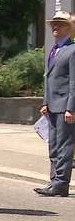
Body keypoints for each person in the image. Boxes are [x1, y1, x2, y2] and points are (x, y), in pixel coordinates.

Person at [36, 11, 74, 197]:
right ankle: (54, 181)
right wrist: (45, 101)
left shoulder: (72, 50)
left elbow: (74, 82)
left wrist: (71, 108)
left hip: (65, 106)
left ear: (69, 28)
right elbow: (49, 78)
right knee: (53, 145)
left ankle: (61, 183)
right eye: (53, 24)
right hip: (52, 106)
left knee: (64, 146)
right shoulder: (54, 49)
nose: (55, 27)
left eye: (59, 24)